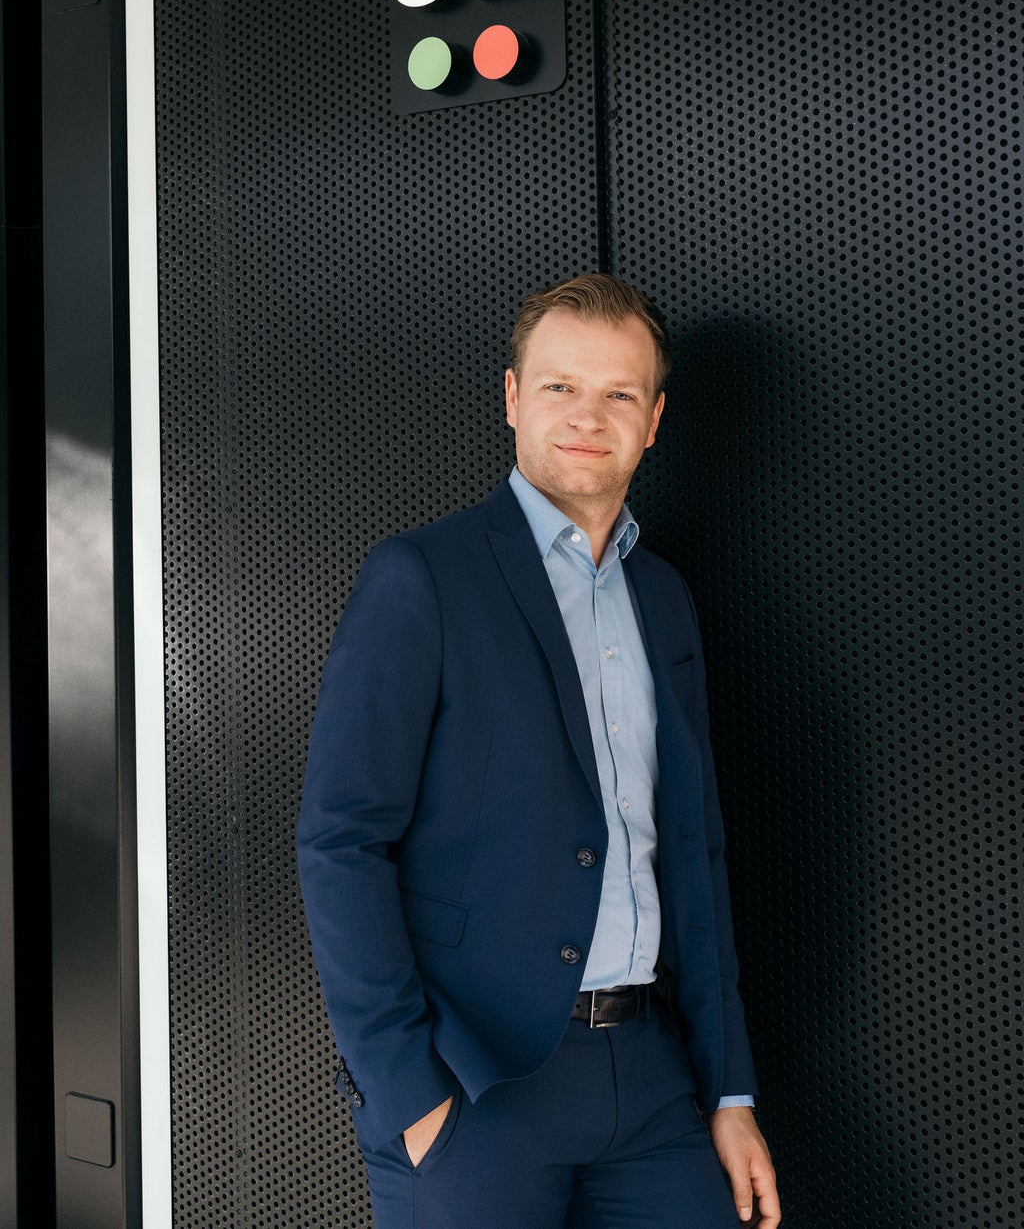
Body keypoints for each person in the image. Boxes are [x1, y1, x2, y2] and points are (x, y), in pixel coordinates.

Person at [297, 273, 780, 1228]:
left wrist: (729, 1095)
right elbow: (341, 842)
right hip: (474, 1087)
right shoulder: (422, 579)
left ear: (654, 420)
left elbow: (692, 853)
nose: (586, 417)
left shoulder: (665, 598)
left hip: (650, 1081)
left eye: (618, 394)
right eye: (559, 387)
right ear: (513, 397)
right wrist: (409, 1093)